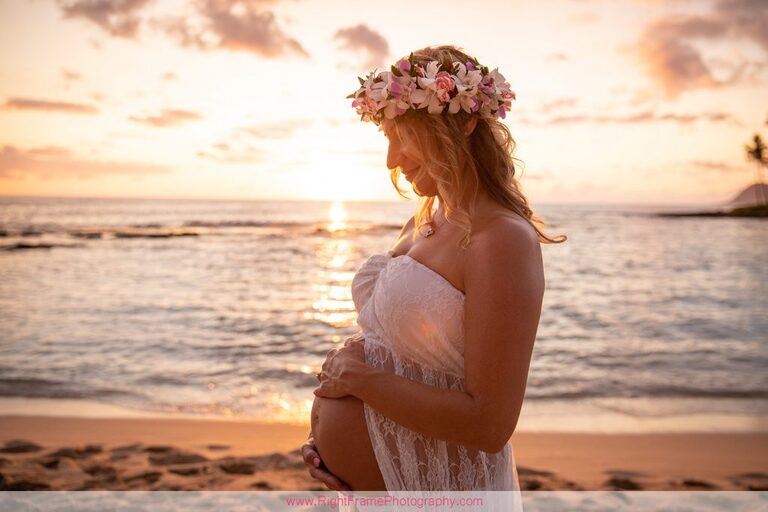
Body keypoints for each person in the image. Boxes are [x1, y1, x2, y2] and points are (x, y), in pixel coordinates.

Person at [301, 44, 566, 496]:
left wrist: (357, 380)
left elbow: (489, 423)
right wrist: (324, 441)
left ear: (462, 124)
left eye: (402, 136)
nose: (391, 160)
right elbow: (397, 350)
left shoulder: (500, 238)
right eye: (387, 138)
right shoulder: (424, 219)